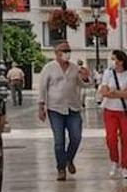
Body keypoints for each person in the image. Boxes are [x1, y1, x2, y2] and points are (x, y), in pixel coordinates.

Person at [37, 42, 90, 181]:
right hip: (55, 108)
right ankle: (61, 168)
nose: (67, 53)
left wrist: (86, 77)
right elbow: (42, 88)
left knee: (76, 137)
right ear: (56, 52)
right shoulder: (49, 68)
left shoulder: (74, 68)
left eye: (68, 50)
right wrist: (41, 107)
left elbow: (83, 84)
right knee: (59, 141)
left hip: (73, 107)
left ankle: (69, 159)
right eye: (64, 50)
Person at [99, 50, 127, 179]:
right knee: (111, 138)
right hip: (109, 110)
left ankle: (125, 166)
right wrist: (119, 93)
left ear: (121, 61)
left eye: (114, 59)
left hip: (126, 111)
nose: (112, 61)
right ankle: (114, 161)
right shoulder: (108, 73)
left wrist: (113, 92)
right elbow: (104, 92)